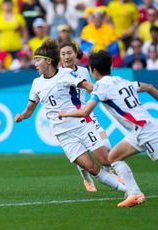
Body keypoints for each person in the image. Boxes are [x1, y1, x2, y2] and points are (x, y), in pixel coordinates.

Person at [14, 39, 127, 203]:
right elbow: (30, 109)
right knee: (91, 168)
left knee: (105, 160)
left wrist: (107, 92)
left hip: (82, 124)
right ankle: (126, 190)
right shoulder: (36, 83)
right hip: (62, 134)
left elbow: (88, 86)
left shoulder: (65, 74)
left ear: (48, 61)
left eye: (37, 60)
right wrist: (22, 116)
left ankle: (131, 190)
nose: (35, 63)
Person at [58, 50, 158, 207]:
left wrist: (66, 113)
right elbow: (150, 87)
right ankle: (135, 193)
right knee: (113, 158)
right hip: (139, 130)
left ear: (93, 70)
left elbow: (85, 112)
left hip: (147, 131)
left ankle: (135, 193)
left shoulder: (101, 87)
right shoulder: (121, 80)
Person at [59, 40, 115, 192]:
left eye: (69, 53)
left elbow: (92, 90)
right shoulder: (57, 74)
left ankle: (110, 174)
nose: (66, 57)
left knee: (107, 146)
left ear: (75, 54)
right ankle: (87, 179)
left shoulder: (84, 71)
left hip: (87, 115)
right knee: (82, 153)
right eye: (62, 54)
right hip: (71, 118)